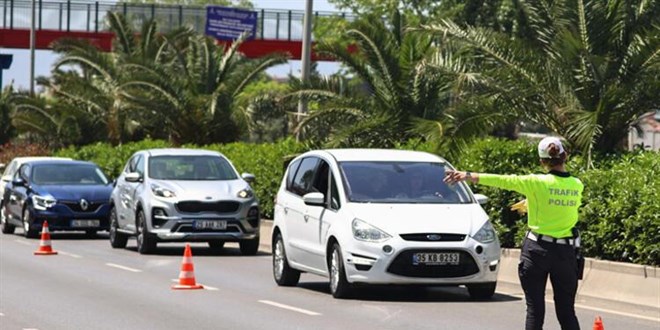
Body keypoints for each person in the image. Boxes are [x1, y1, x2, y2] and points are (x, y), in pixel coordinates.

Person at [444, 137, 583, 330]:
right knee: (567, 312)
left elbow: (502, 180)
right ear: (565, 156)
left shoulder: (535, 182)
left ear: (541, 161)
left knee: (535, 310)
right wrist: (532, 203)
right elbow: (564, 209)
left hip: (537, 250)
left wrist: (466, 175)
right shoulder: (577, 185)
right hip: (565, 254)